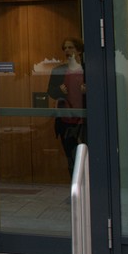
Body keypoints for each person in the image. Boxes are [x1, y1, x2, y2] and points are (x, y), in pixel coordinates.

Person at [48, 37, 87, 175]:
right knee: (71, 157)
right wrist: (59, 90)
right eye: (65, 48)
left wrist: (87, 91)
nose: (67, 50)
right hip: (66, 121)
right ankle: (74, 184)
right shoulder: (59, 70)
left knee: (86, 155)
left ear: (79, 51)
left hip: (84, 120)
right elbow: (51, 91)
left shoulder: (86, 69)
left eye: (71, 47)